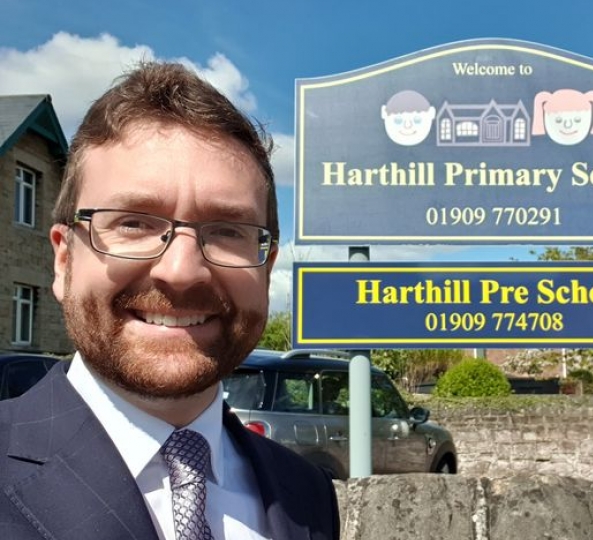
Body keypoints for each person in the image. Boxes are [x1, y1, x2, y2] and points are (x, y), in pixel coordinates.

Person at [0, 62, 340, 540]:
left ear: (266, 268)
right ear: (63, 260)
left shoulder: (307, 494)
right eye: (133, 223)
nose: (180, 271)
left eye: (227, 231)